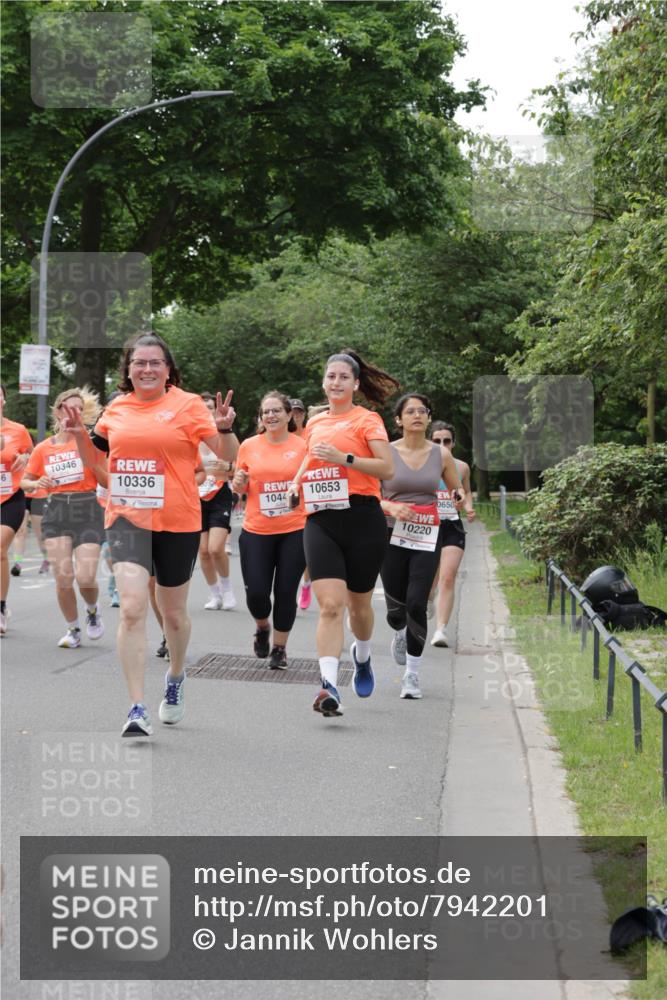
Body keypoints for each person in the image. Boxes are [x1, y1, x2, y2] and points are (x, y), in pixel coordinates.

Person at [62, 331, 238, 737]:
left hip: (177, 519)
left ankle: (175, 676)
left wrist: (226, 429)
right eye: (139, 362)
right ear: (129, 369)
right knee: (132, 608)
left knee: (173, 614)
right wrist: (78, 440)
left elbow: (227, 457)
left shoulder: (189, 405)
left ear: (167, 368)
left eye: (154, 362)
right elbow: (95, 461)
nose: (146, 369)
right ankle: (136, 706)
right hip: (126, 518)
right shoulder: (116, 409)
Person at [288, 349, 398, 718]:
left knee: (359, 606)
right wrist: (295, 482)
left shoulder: (367, 420)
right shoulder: (315, 423)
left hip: (363, 517)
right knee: (331, 606)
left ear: (354, 384)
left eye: (343, 377)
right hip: (321, 518)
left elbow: (387, 469)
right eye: (330, 376)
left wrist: (345, 459)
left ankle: (362, 657)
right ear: (324, 381)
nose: (335, 382)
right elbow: (310, 455)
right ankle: (329, 685)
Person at [380, 395, 463, 699]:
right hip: (390, 534)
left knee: (417, 602)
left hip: (428, 535)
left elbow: (456, 488)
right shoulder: (385, 452)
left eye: (422, 411)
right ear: (398, 420)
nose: (417, 415)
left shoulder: (441, 455)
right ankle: (400, 631)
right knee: (395, 610)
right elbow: (369, 496)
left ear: (429, 418)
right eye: (410, 411)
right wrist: (390, 507)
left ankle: (411, 676)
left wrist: (457, 497)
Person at [23, 387, 107, 649]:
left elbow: (106, 480)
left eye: (80, 409)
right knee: (63, 578)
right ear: (58, 412)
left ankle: (92, 610)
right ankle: (73, 630)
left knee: (85, 577)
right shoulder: (43, 448)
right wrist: (39, 482)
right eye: (70, 408)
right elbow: (26, 481)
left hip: (88, 508)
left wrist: (92, 460)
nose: (75, 413)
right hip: (57, 509)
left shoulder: (92, 442)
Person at [233, 392, 307, 669]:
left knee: (286, 592)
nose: (271, 416)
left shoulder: (303, 447)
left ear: (289, 415)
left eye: (277, 411)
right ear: (260, 418)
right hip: (257, 529)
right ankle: (263, 627)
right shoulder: (249, 446)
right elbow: (240, 487)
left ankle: (280, 648)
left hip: (294, 529)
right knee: (257, 594)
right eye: (266, 412)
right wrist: (238, 482)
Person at [429, 421, 476, 648]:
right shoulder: (420, 465)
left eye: (446, 440)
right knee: (430, 581)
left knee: (447, 577)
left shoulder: (462, 467)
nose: (442, 444)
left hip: (451, 526)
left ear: (453, 443)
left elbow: (465, 491)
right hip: (425, 526)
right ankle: (429, 600)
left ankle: (440, 629)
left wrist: (467, 507)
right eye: (436, 440)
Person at [198, 391, 236, 611]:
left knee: (215, 548)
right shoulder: (193, 436)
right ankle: (215, 594)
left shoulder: (223, 434)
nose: (206, 411)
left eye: (210, 407)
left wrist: (228, 468)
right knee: (203, 551)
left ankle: (227, 588)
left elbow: (241, 462)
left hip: (220, 494)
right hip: (197, 496)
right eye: (201, 408)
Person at [0, 385, 33, 635]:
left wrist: (25, 458)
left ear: (3, 400)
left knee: (0, 547)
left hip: (10, 497)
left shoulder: (18, 430)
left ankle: (0, 608)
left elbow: (33, 456)